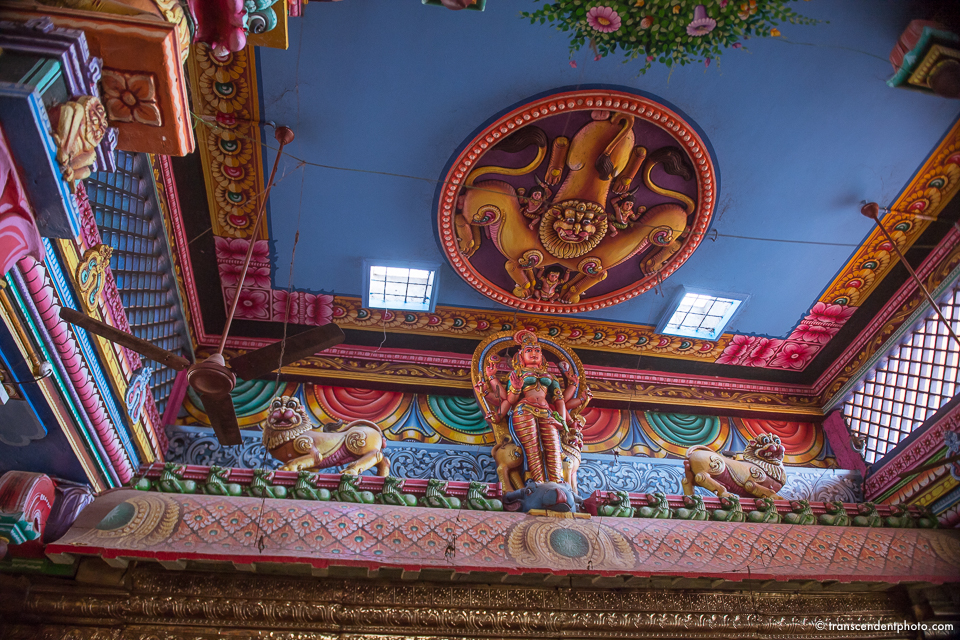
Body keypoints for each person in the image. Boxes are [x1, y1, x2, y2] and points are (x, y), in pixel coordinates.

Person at [476, 330, 580, 484]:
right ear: (521, 356)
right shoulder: (517, 373)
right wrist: (516, 388)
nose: (534, 354)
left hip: (547, 412)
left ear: (542, 356)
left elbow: (560, 400)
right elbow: (509, 399)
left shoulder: (551, 377)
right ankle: (536, 483)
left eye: (537, 351)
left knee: (553, 448)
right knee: (532, 449)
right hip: (524, 410)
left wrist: (563, 423)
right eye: (529, 350)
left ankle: (557, 483)